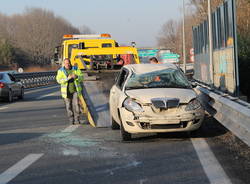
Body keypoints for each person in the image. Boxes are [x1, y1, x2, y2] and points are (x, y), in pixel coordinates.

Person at [56, 58, 83, 125]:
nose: (67, 64)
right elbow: (59, 80)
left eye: (68, 63)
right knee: (68, 107)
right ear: (64, 64)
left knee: (76, 105)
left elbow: (82, 77)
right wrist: (67, 78)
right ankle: (71, 119)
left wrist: (76, 77)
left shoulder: (75, 69)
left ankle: (77, 119)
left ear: (70, 63)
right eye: (66, 63)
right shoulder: (60, 71)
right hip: (66, 93)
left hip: (75, 91)